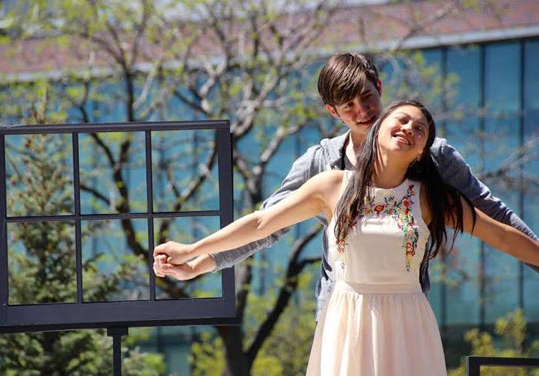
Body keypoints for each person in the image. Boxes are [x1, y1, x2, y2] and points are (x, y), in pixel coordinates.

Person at [154, 100, 539, 375]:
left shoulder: (433, 199)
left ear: (423, 150)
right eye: (402, 120)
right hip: (346, 320)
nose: (409, 129)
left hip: (408, 324)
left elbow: (502, 235)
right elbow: (261, 224)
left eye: (419, 128)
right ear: (380, 127)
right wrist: (193, 250)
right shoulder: (331, 185)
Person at [153, 52, 538, 319]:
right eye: (348, 105)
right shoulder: (322, 166)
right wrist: (201, 262)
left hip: (405, 302)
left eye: (367, 97)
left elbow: (494, 217)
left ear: (380, 88)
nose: (362, 110)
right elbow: (266, 225)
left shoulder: (431, 154)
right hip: (339, 304)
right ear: (332, 111)